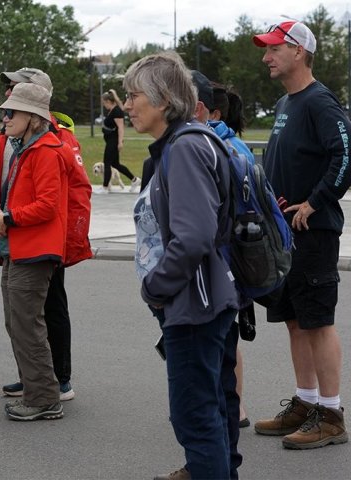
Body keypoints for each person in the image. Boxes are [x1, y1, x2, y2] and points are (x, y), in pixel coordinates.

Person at [127, 51, 239, 480]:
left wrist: (155, 287)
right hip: (198, 300)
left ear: (163, 99)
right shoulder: (181, 143)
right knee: (210, 407)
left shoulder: (186, 148)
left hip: (194, 305)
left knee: (194, 416)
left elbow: (193, 237)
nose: (128, 104)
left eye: (135, 94)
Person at [252, 20, 351, 449]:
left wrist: (315, 202)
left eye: (274, 48)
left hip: (313, 231)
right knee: (294, 320)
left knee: (317, 321)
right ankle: (305, 401)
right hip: (285, 233)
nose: (266, 56)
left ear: (298, 52)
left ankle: (330, 414)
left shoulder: (320, 102)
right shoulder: (284, 103)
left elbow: (346, 154)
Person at [0, 67, 92, 402]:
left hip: (42, 244)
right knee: (22, 319)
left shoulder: (53, 144)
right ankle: (35, 379)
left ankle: (54, 383)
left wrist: (66, 242)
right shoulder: (18, 142)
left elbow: (65, 198)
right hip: (18, 240)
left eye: (15, 93)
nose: (7, 100)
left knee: (44, 314)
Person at [189, 70, 243, 478]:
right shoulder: (224, 142)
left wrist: (158, 284)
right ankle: (216, 465)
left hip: (211, 284)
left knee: (208, 390)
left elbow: (197, 233)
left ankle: (220, 468)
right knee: (215, 384)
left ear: (199, 108)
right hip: (223, 281)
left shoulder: (205, 148)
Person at [208, 81, 255, 429]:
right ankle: (233, 405)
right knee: (228, 334)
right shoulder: (235, 145)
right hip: (237, 255)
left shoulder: (223, 148)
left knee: (225, 336)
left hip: (226, 257)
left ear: (213, 113)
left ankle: (233, 406)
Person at [95, 89, 141, 194]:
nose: (103, 105)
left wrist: (120, 142)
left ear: (108, 101)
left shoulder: (116, 111)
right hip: (110, 140)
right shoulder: (113, 109)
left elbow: (121, 127)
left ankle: (105, 187)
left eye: (103, 102)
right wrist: (115, 94)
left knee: (107, 163)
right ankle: (135, 180)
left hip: (114, 141)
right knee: (115, 164)